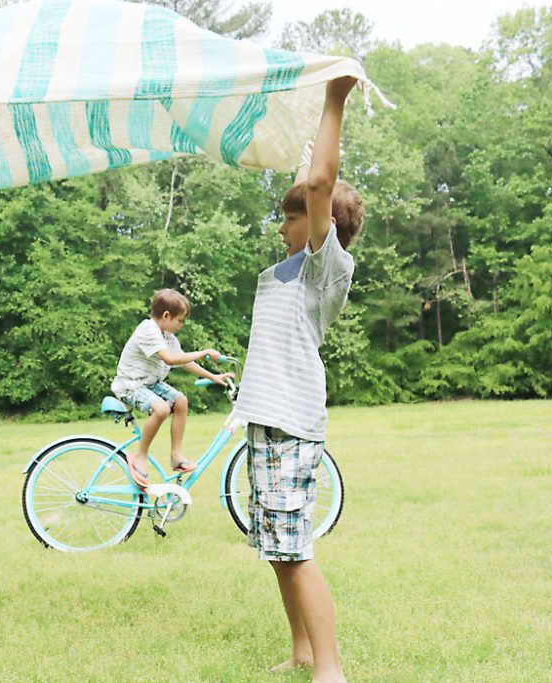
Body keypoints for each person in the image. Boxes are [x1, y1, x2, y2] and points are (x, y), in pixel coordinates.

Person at [231, 76, 363, 683]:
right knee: (277, 549)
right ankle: (303, 650)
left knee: (297, 550)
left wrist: (332, 99)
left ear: (320, 223)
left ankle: (329, 670)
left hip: (291, 424)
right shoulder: (282, 272)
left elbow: (319, 181)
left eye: (292, 219)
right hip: (266, 420)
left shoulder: (324, 268)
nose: (281, 228)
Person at [111, 288, 233, 488]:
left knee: (181, 401)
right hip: (130, 385)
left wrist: (213, 376)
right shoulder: (147, 329)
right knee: (161, 409)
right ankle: (140, 456)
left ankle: (176, 456)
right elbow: (170, 358)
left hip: (149, 384)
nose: (181, 325)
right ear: (166, 315)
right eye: (180, 320)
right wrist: (204, 352)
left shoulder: (167, 336)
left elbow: (183, 362)